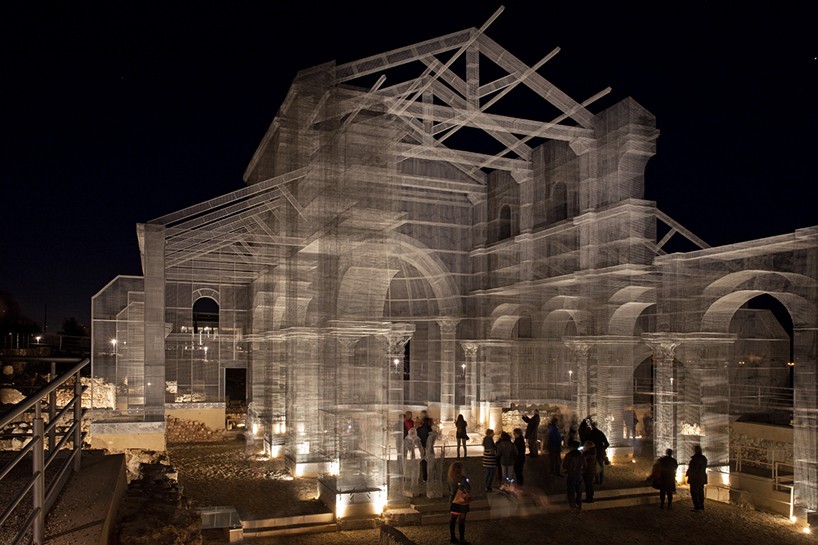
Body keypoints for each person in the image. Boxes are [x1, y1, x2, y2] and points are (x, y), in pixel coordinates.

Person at [448, 461, 472, 545]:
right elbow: (468, 489)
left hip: (453, 500)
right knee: (461, 521)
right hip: (462, 502)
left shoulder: (450, 478)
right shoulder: (463, 479)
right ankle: (462, 539)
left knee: (453, 520)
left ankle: (452, 538)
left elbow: (450, 489)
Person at [562, 440, 585, 510]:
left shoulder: (569, 455)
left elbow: (564, 465)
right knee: (579, 489)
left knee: (571, 489)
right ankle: (579, 504)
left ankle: (572, 504)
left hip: (571, 474)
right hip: (578, 474)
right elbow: (585, 465)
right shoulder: (581, 455)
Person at [686, 444, 708, 511]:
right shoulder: (704, 458)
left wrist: (689, 473)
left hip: (695, 478)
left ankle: (697, 506)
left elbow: (693, 469)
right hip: (702, 477)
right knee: (700, 491)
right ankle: (701, 505)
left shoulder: (695, 459)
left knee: (694, 492)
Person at [417, 417, 433, 482]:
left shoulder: (419, 429)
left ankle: (424, 477)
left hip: (422, 447)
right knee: (429, 461)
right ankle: (428, 476)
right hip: (428, 447)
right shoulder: (429, 429)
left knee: (423, 461)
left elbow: (417, 438)